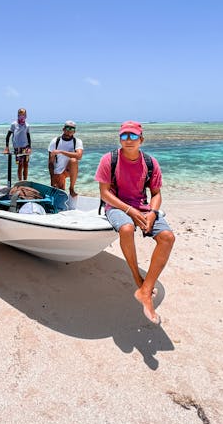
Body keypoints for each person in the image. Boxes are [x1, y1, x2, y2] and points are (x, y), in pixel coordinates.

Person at [95, 121, 175, 325]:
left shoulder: (150, 163)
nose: (128, 140)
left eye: (133, 136)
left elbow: (156, 194)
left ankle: (145, 291)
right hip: (116, 207)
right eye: (124, 136)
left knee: (167, 237)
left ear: (141, 139)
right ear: (119, 139)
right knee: (127, 228)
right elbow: (104, 193)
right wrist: (129, 210)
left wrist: (154, 213)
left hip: (144, 208)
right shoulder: (109, 159)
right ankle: (136, 276)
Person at [47, 121, 83, 199]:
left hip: (69, 170)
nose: (69, 130)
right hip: (58, 172)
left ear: (74, 131)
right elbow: (50, 163)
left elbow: (79, 156)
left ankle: (71, 188)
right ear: (63, 129)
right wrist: (52, 179)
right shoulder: (55, 141)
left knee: (73, 160)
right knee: (60, 194)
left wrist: (61, 151)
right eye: (67, 128)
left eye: (72, 129)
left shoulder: (77, 141)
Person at [3, 107, 31, 181]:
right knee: (20, 165)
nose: (22, 116)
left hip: (26, 147)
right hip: (17, 148)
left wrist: (29, 147)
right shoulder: (14, 124)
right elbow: (8, 136)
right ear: (18, 115)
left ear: (26, 115)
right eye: (20, 114)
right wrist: (7, 147)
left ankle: (25, 181)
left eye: (24, 115)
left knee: (26, 165)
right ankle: (20, 181)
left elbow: (28, 136)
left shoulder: (27, 125)